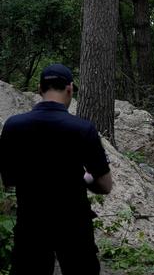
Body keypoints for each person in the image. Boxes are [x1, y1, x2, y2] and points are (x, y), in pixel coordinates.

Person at [0, 63, 112, 275]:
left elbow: (8, 180)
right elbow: (105, 185)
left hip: (30, 227)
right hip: (74, 228)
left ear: (39, 88)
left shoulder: (13, 126)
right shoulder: (83, 129)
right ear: (69, 89)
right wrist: (85, 179)